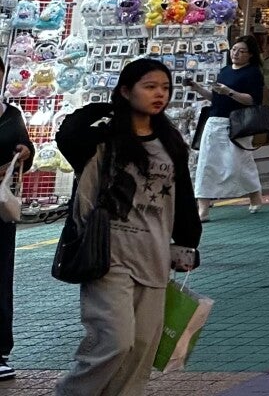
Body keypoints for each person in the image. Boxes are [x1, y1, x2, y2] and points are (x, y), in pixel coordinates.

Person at [53, 58, 202, 396]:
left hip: (154, 255)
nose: (159, 94)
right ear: (126, 90)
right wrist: (106, 108)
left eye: (165, 88)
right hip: (107, 255)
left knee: (141, 349)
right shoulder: (102, 140)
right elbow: (68, 134)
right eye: (149, 87)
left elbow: (183, 197)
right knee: (115, 342)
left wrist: (188, 242)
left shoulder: (170, 142)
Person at [186, 35, 266, 217]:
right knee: (206, 164)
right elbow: (215, 98)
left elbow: (252, 100)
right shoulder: (225, 70)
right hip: (215, 120)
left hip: (238, 124)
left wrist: (229, 92)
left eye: (241, 51)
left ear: (251, 55)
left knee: (239, 163)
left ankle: (254, 194)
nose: (236, 53)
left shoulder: (253, 73)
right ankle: (203, 208)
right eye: (234, 49)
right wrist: (198, 88)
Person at [0, 97, 29, 381]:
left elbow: (25, 148)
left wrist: (24, 153)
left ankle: (0, 351)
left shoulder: (12, 115)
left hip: (1, 211)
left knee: (1, 275)